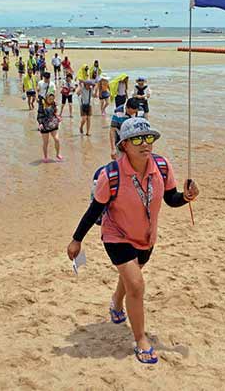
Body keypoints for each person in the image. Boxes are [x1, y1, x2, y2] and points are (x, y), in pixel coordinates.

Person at [67, 117, 199, 364]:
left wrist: (187, 197)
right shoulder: (111, 175)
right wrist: (77, 240)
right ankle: (141, 340)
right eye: (137, 139)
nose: (145, 144)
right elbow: (95, 210)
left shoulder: (162, 166)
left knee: (131, 276)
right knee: (136, 285)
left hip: (146, 238)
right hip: (116, 235)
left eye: (149, 138)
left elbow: (172, 198)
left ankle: (117, 302)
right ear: (124, 144)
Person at [37, 92, 62, 162]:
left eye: (52, 99)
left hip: (53, 124)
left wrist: (58, 117)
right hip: (44, 125)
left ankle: (58, 154)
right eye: (50, 99)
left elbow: (55, 113)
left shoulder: (54, 104)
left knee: (57, 139)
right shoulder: (42, 105)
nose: (51, 100)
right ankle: (45, 157)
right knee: (46, 142)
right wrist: (40, 123)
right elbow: (39, 115)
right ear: (46, 98)